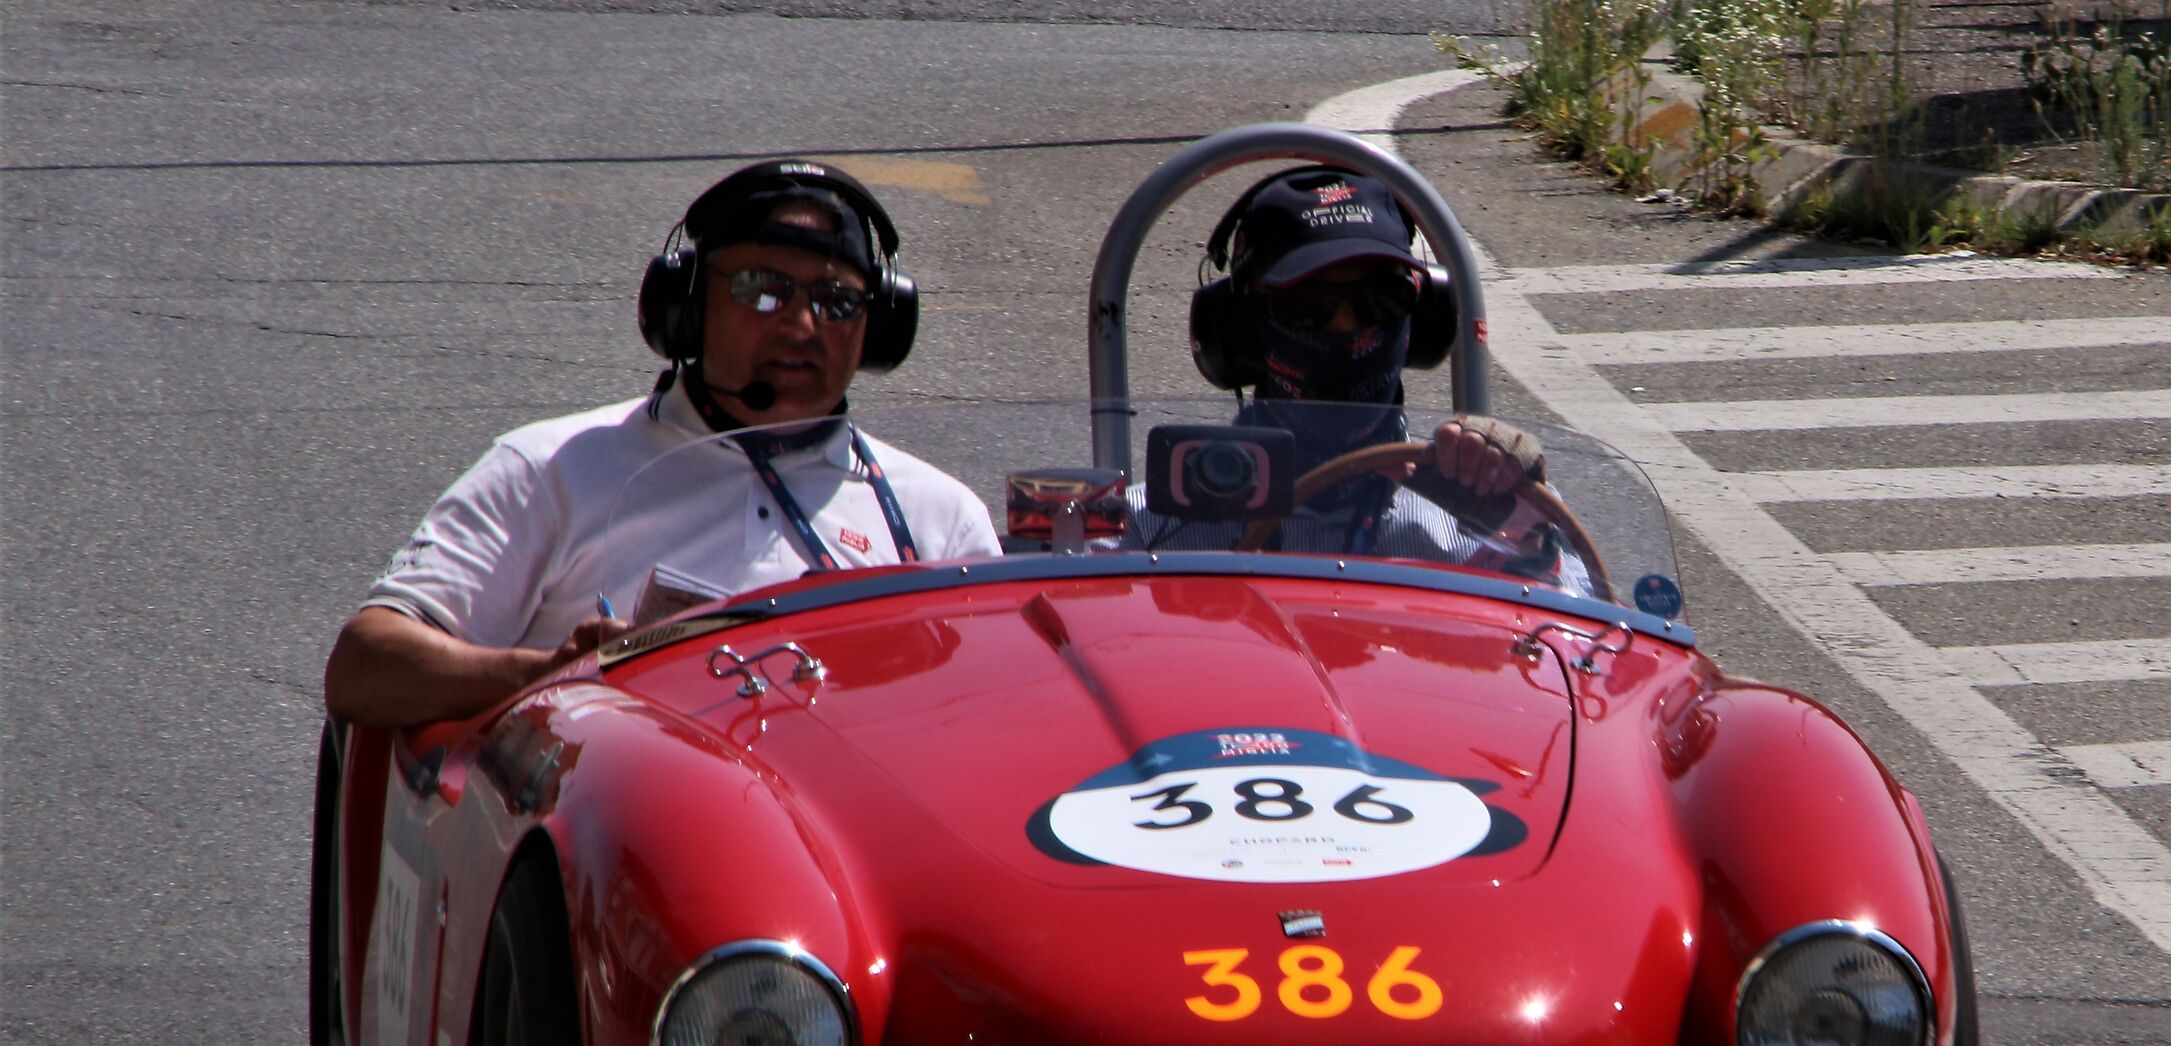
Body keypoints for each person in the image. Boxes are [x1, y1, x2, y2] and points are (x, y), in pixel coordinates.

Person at [324, 160, 999, 728]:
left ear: (877, 332)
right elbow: (366, 666)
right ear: (687, 309)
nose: (801, 324)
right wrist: (557, 674)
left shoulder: (937, 520)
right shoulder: (555, 467)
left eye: (837, 300)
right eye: (761, 290)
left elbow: (997, 718)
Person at [1131, 167, 1572, 586]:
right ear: (1236, 329)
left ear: (1424, 316)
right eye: (1306, 305)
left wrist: (1524, 536)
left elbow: (1587, 643)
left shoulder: (1491, 515)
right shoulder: (1147, 531)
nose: (1346, 328)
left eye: (1381, 297)